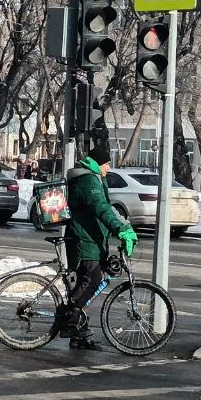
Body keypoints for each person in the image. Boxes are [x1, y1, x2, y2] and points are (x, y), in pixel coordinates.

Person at [59, 141, 138, 350]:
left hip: (92, 239)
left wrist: (124, 225)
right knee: (91, 280)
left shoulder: (93, 178)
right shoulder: (87, 180)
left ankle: (79, 335)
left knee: (86, 285)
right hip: (84, 240)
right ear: (97, 163)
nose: (109, 168)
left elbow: (107, 208)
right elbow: (100, 208)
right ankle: (68, 321)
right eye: (107, 164)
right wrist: (118, 230)